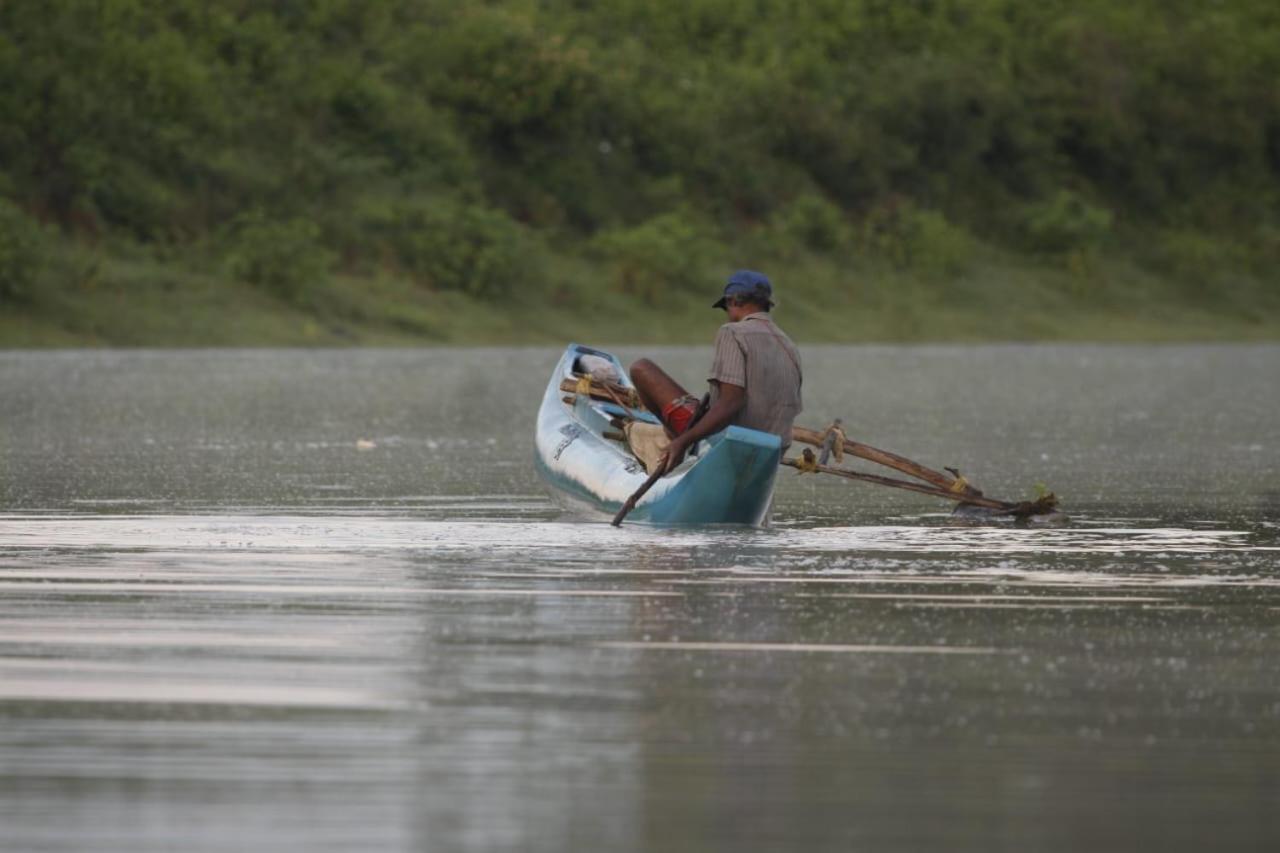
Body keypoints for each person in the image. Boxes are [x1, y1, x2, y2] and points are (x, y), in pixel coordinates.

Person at [629, 270, 803, 474]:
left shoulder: (732, 332)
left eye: (726, 307)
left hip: (730, 444)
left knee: (641, 368)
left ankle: (674, 443)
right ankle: (680, 441)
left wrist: (684, 441)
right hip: (773, 451)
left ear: (734, 301)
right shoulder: (789, 345)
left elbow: (732, 401)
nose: (728, 314)